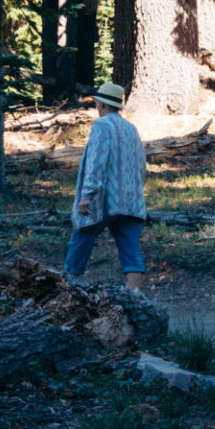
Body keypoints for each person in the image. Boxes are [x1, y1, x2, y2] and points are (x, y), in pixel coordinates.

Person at [65, 81, 147, 291]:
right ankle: (136, 298)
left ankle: (69, 288)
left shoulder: (102, 126)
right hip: (131, 201)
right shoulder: (131, 128)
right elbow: (141, 164)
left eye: (97, 104)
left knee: (82, 235)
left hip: (105, 200)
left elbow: (97, 161)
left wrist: (87, 195)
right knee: (131, 251)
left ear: (102, 105)